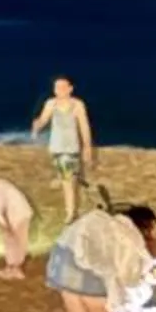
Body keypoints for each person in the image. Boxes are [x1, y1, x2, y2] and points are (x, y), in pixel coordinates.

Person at [32, 78, 96, 219]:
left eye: (62, 87)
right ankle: (68, 183)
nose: (58, 90)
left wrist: (87, 148)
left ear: (70, 89)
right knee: (66, 177)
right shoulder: (51, 103)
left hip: (71, 148)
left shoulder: (77, 105)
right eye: (56, 87)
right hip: (56, 148)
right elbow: (43, 119)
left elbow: (84, 127)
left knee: (68, 182)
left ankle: (70, 213)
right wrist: (37, 125)